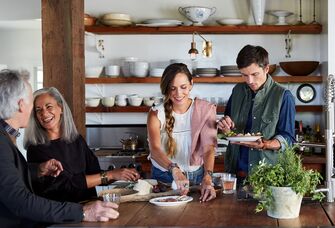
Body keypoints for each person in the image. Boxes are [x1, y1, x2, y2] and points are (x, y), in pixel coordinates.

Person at [0, 69, 119, 227]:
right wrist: (82, 212)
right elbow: (21, 201)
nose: (41, 113)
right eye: (32, 103)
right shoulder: (3, 143)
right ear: (22, 105)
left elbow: (9, 178)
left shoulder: (6, 138)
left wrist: (38, 170)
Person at [24, 87, 140, 203]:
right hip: (60, 214)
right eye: (38, 110)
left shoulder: (76, 139)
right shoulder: (35, 148)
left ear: (61, 108)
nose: (44, 113)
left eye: (49, 107)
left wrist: (124, 174)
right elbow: (66, 185)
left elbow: (95, 173)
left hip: (89, 207)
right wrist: (111, 174)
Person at [217, 45, 296, 179]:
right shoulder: (237, 91)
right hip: (236, 173)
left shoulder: (283, 96)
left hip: (267, 175)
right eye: (244, 75)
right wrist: (224, 125)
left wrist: (265, 144)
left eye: (254, 74)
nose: (250, 81)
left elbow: (288, 138)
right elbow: (227, 122)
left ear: (266, 68)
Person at [147, 63, 217, 202]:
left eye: (183, 87)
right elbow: (154, 150)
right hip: (164, 176)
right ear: (166, 88)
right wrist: (175, 170)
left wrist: (208, 177)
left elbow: (208, 147)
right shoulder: (156, 113)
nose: (178, 94)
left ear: (191, 84)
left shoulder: (205, 109)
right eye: (172, 88)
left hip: (197, 176)